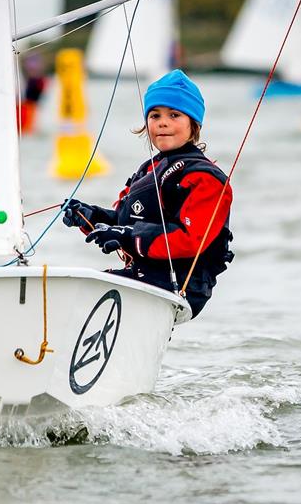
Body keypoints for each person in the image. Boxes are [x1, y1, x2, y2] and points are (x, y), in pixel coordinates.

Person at [62, 70, 233, 318]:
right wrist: (90, 217)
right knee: (74, 292)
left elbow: (190, 240)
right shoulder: (148, 170)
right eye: (155, 115)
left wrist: (128, 237)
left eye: (174, 115)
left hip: (181, 286)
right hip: (144, 277)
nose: (162, 122)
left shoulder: (205, 178)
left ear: (193, 124)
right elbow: (124, 222)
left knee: (85, 295)